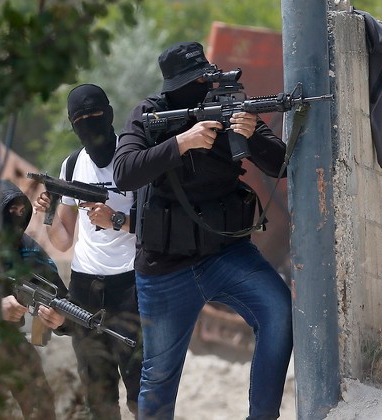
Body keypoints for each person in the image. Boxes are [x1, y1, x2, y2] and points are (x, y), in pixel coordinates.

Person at [112, 41, 293, 420]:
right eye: (192, 81)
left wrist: (252, 134)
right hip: (164, 268)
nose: (201, 86)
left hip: (225, 254)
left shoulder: (232, 107)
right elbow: (125, 171)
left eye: (204, 79)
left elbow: (282, 165)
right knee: (158, 377)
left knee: (279, 312)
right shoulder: (148, 114)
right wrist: (182, 142)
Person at [33, 84, 142, 419]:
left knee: (141, 392)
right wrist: (48, 212)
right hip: (85, 287)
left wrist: (116, 220)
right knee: (98, 394)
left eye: (95, 115)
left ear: (109, 114)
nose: (89, 124)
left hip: (131, 284)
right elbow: (63, 240)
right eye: (80, 120)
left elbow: (156, 225)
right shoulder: (72, 165)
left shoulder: (133, 157)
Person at [0, 179, 67, 420]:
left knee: (39, 400)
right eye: (11, 211)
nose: (18, 218)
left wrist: (62, 320)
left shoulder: (27, 249)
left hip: (7, 340)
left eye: (22, 212)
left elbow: (62, 298)